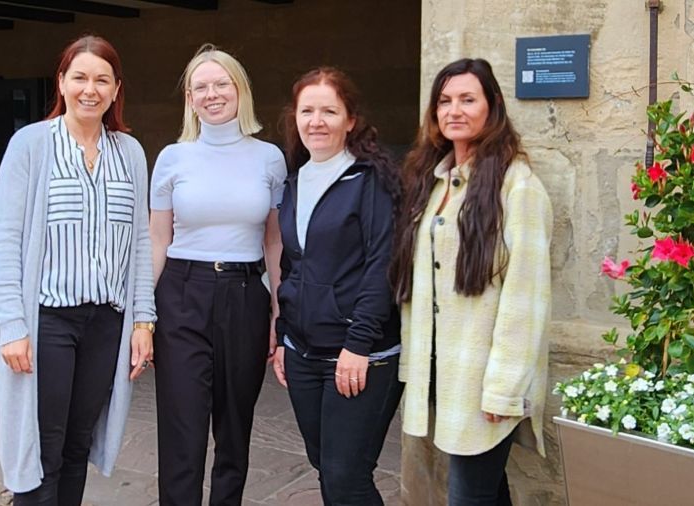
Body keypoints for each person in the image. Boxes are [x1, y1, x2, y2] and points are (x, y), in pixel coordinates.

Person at [0, 35, 155, 505]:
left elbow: (141, 241)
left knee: (78, 442)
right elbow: (5, 239)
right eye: (79, 77)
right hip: (48, 320)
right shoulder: (31, 145)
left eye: (102, 80)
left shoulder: (130, 152)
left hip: (106, 323)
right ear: (61, 82)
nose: (90, 89)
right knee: (43, 447)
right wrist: (12, 324)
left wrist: (143, 320)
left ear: (116, 89)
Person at [389, 58, 553, 505]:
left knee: (467, 496)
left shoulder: (518, 187)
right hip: (443, 372)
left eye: (467, 99)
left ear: (492, 105)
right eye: (444, 101)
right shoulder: (435, 181)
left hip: (485, 379)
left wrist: (504, 389)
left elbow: (526, 298)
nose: (454, 111)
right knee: (485, 491)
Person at [149, 44, 285, 506]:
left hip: (245, 295)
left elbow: (273, 242)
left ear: (240, 89)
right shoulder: (172, 158)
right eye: (200, 87)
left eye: (221, 83)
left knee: (234, 429)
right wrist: (144, 316)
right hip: (181, 294)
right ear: (189, 98)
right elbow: (157, 240)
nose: (212, 94)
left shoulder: (269, 158)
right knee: (182, 428)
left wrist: (278, 310)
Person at [271, 67, 403, 506]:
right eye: (307, 111)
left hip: (359, 353)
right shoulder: (295, 181)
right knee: (325, 467)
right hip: (303, 352)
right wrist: (283, 338)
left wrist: (358, 344)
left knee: (347, 477)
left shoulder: (370, 181)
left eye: (329, 111)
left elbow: (382, 266)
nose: (316, 121)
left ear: (350, 120)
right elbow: (292, 265)